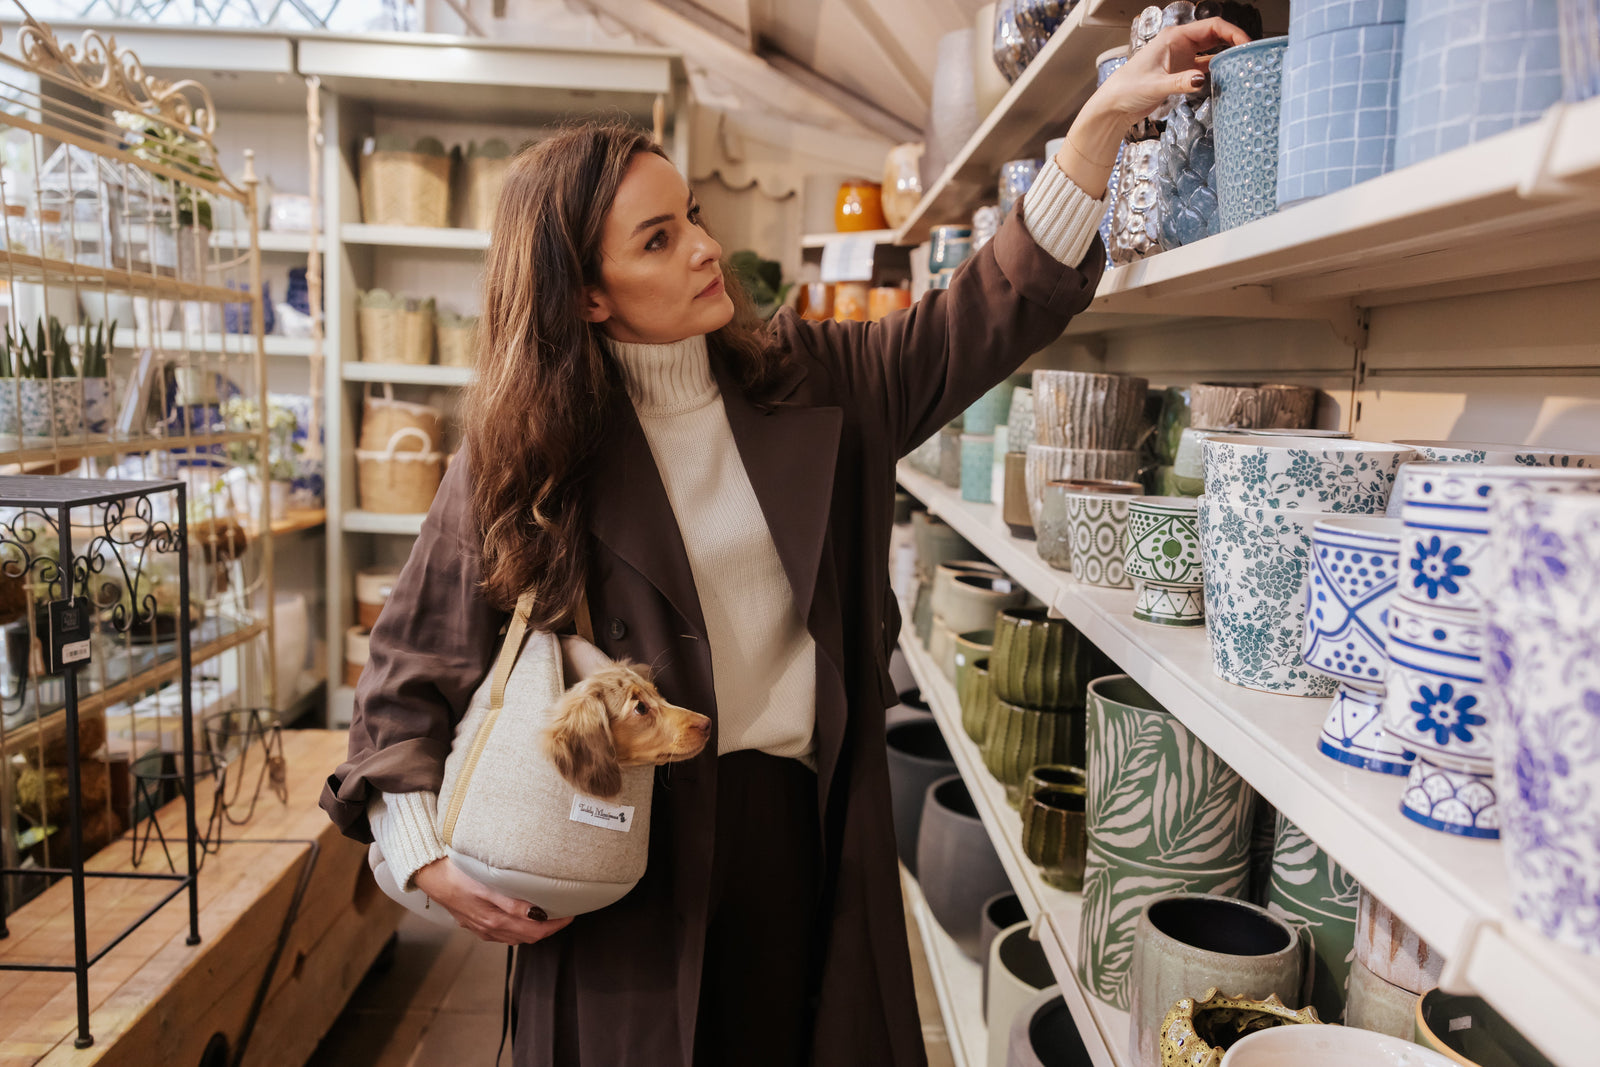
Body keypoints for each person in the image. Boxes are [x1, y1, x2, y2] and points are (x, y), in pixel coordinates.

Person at [321, 19, 1248, 1067]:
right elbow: (408, 671)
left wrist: (1091, 132)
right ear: (585, 293)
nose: (706, 248)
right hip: (615, 854)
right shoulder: (523, 453)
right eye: (657, 240)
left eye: (694, 217)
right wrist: (423, 861)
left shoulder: (811, 381)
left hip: (798, 836)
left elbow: (979, 314)